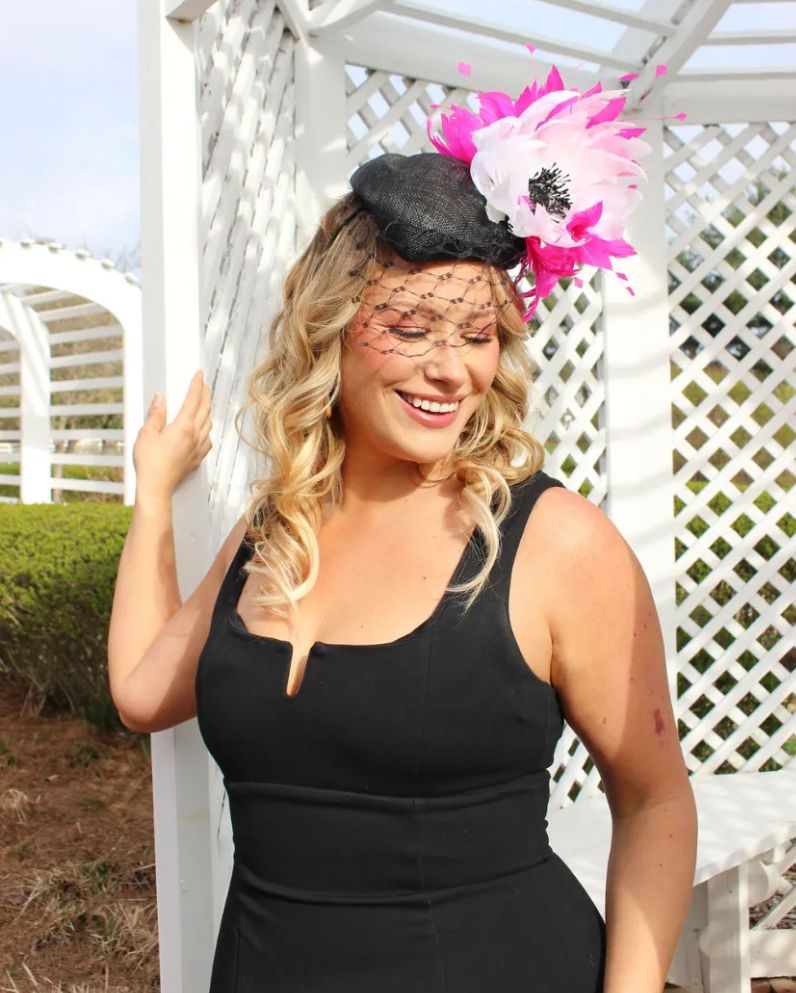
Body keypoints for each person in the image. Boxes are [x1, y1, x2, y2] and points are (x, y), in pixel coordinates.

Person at [108, 64, 697, 993]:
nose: (453, 369)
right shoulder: (276, 528)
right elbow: (144, 693)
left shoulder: (554, 544)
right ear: (330, 326)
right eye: (414, 326)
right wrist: (152, 501)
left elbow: (657, 798)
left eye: (477, 333)